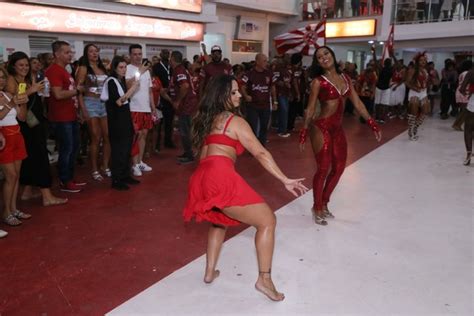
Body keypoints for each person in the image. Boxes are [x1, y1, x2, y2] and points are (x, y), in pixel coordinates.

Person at [184, 74, 308, 301]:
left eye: (238, 90)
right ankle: (264, 279)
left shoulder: (208, 120)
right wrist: (284, 179)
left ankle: (210, 272)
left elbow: (204, 156)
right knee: (268, 221)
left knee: (218, 220)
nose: (239, 94)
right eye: (233, 92)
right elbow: (260, 152)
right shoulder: (234, 121)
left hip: (202, 177)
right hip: (219, 175)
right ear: (222, 96)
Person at [299, 46, 381, 225]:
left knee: (339, 168)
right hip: (321, 128)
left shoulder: (346, 79)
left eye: (326, 54)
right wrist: (304, 130)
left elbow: (358, 103)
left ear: (333, 56)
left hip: (337, 129)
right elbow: (311, 108)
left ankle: (325, 203)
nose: (323, 58)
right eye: (319, 57)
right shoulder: (318, 82)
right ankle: (317, 207)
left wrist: (371, 122)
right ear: (317, 62)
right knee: (323, 168)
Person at [7, 51, 68, 207]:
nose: (25, 67)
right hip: (25, 125)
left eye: (26, 64)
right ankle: (47, 196)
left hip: (34, 122)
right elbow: (17, 101)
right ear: (13, 66)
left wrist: (37, 91)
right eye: (21, 65)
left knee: (31, 158)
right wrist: (31, 90)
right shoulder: (12, 80)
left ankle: (27, 191)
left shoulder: (26, 79)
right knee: (40, 157)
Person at [45, 41, 86, 192]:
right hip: (61, 118)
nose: (70, 55)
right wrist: (78, 90)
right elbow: (57, 94)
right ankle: (65, 180)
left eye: (71, 52)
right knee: (66, 149)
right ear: (57, 54)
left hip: (70, 115)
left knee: (73, 148)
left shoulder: (65, 70)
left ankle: (69, 178)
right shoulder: (54, 71)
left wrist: (77, 112)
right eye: (67, 52)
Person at [102, 56, 141, 190]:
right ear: (115, 68)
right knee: (119, 151)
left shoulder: (121, 81)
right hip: (117, 122)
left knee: (126, 150)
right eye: (121, 67)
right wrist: (133, 89)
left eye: (125, 67)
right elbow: (119, 101)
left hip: (125, 120)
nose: (124, 70)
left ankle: (125, 175)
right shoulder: (111, 82)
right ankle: (116, 179)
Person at [76, 44, 111, 181]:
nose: (94, 53)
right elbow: (78, 90)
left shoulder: (102, 68)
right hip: (90, 103)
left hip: (104, 104)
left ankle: (105, 165)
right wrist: (82, 108)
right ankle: (94, 169)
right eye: (91, 51)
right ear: (86, 53)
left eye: (96, 51)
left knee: (107, 136)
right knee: (96, 137)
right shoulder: (84, 68)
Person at [0, 65, 29, 226]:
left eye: (3, 77)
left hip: (17, 136)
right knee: (10, 176)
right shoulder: (8, 98)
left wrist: (22, 101)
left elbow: (23, 117)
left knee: (16, 175)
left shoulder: (7, 94)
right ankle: (6, 212)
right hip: (3, 138)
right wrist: (11, 103)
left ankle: (13, 208)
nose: (1, 80)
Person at [125, 44, 155, 177]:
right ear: (130, 55)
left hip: (146, 108)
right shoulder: (128, 69)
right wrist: (140, 71)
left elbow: (149, 91)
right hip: (134, 107)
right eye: (135, 54)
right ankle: (134, 164)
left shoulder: (147, 71)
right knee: (135, 137)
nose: (138, 56)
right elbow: (128, 85)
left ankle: (140, 161)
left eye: (139, 54)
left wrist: (153, 107)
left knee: (144, 135)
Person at [167, 51, 199, 164]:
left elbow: (185, 86)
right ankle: (187, 152)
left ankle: (190, 155)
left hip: (187, 105)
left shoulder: (179, 70)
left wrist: (178, 101)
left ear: (173, 59)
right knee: (184, 130)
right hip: (186, 105)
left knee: (185, 130)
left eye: (170, 58)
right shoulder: (178, 70)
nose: (169, 60)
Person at [241, 54, 277, 145]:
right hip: (252, 106)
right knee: (252, 126)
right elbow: (242, 86)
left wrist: (275, 101)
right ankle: (252, 145)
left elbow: (273, 88)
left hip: (265, 105)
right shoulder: (249, 74)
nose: (266, 63)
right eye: (264, 61)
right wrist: (246, 96)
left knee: (264, 126)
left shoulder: (269, 74)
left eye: (267, 61)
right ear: (257, 61)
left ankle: (262, 144)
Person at [405, 52, 430, 141]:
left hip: (423, 92)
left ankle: (415, 127)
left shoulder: (426, 70)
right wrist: (415, 89)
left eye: (424, 60)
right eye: (421, 60)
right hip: (414, 92)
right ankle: (410, 131)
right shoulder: (412, 70)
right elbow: (407, 83)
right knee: (413, 113)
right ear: (417, 61)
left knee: (425, 112)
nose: (423, 62)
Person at [460, 69, 474, 165]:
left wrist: (468, 94)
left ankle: (469, 154)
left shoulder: (471, 72)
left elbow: (462, 89)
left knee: (468, 129)